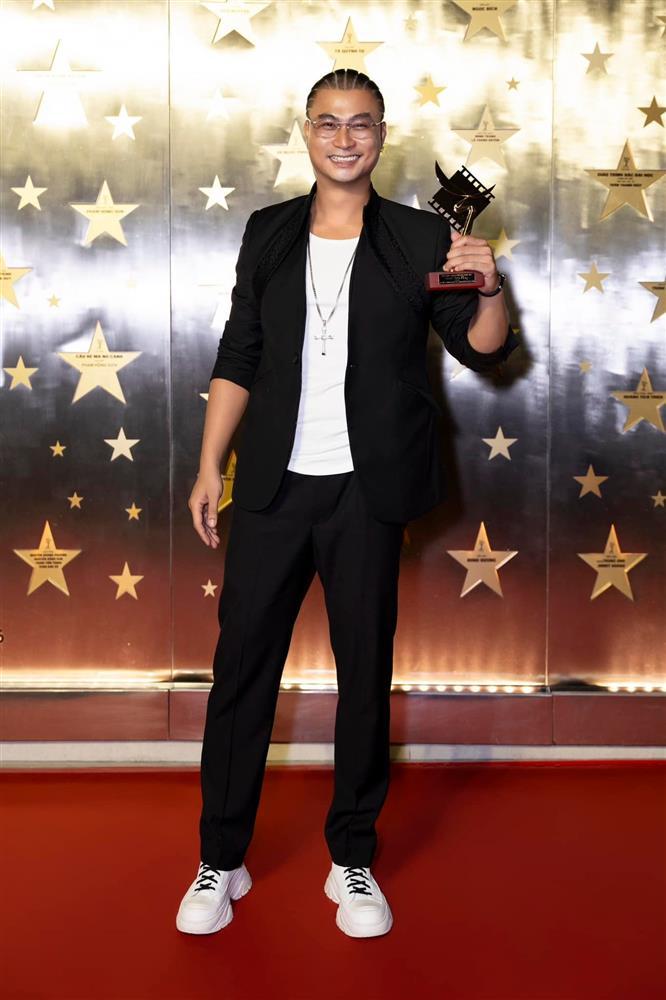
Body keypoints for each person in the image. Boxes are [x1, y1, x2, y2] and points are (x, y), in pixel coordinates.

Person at [176, 68, 518, 939]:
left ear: (381, 136)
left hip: (367, 491)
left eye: (360, 123)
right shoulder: (269, 231)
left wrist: (489, 285)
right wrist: (211, 465)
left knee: (363, 676)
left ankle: (352, 859)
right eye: (328, 122)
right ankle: (221, 858)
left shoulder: (420, 235)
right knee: (241, 673)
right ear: (306, 131)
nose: (343, 138)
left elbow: (481, 349)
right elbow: (239, 352)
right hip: (272, 488)